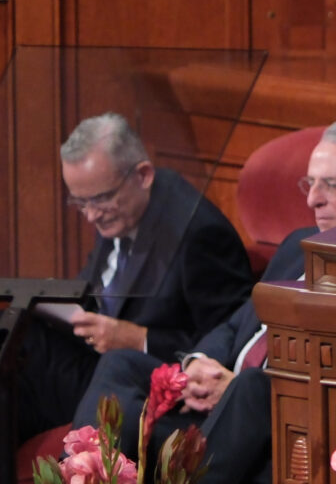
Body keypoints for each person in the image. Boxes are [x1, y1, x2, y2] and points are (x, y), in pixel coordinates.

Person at [71, 120, 336, 484]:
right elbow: (237, 323)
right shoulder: (298, 244)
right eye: (308, 184)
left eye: (329, 185)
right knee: (120, 363)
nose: (313, 199)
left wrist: (234, 384)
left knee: (251, 387)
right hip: (218, 401)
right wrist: (198, 364)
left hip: (278, 407)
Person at [16, 113, 253, 444]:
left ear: (142, 175)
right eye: (80, 202)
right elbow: (101, 286)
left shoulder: (200, 234)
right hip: (93, 355)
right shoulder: (120, 203)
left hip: (140, 380)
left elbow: (225, 341)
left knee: (20, 367)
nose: (90, 215)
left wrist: (138, 338)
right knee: (15, 336)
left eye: (99, 200)